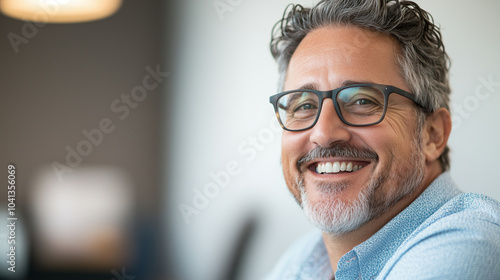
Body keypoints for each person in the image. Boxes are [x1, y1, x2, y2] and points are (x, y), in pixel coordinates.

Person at [265, 0, 500, 279]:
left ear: (433, 135)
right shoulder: (306, 257)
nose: (324, 134)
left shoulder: (468, 245)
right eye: (303, 106)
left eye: (362, 100)